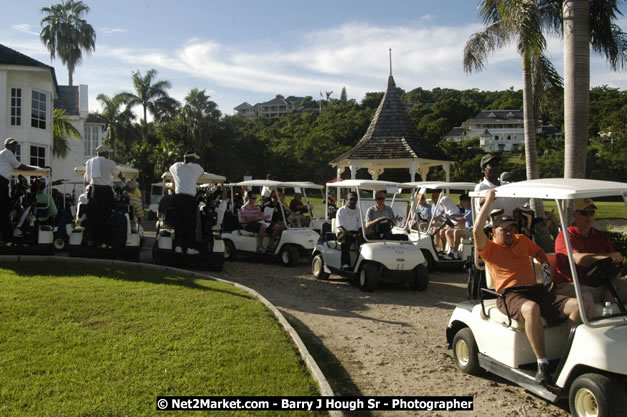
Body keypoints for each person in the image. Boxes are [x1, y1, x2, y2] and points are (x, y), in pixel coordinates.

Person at [475, 188, 581, 384]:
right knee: (532, 309)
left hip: (535, 290)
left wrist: (545, 267)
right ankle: (543, 364)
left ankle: (569, 356)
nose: (508, 232)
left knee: (578, 305)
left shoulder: (522, 240)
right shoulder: (489, 249)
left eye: (511, 228)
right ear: (493, 232)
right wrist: (488, 201)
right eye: (503, 230)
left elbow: (540, 253)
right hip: (510, 295)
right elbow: (476, 230)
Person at [553, 198, 626, 308]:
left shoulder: (600, 237)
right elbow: (579, 259)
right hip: (571, 285)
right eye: (583, 213)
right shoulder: (565, 236)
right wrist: (607, 257)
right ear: (575, 215)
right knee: (586, 296)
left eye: (591, 213)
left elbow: (616, 266)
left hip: (600, 285)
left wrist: (611, 288)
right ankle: (596, 325)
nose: (588, 217)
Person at [84, 144, 123, 248]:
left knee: (93, 216)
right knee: (106, 216)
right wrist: (123, 181)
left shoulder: (89, 162)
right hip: (105, 191)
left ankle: (92, 240)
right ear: (105, 153)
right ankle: (106, 241)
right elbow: (119, 174)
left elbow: (86, 179)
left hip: (94, 191)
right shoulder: (109, 162)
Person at [0, 138, 37, 246]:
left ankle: (7, 239)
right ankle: (8, 240)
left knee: (6, 209)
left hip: (3, 184)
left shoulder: (3, 156)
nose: (13, 147)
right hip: (1, 183)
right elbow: (20, 166)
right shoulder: (7, 153)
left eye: (14, 145)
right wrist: (35, 169)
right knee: (3, 212)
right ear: (6, 146)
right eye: (11, 145)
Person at [169, 151, 204, 255]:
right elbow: (202, 173)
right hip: (189, 199)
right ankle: (190, 247)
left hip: (178, 198)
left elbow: (171, 171)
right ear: (193, 160)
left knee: (179, 223)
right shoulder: (196, 168)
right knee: (190, 224)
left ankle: (178, 246)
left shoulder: (175, 166)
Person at [336, 192, 363, 269]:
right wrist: (351, 235)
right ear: (346, 200)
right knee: (346, 239)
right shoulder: (341, 211)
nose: (353, 201)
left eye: (355, 199)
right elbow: (340, 226)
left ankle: (359, 265)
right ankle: (345, 264)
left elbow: (360, 226)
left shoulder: (358, 211)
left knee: (364, 241)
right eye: (351, 199)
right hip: (343, 232)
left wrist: (360, 235)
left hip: (355, 232)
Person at [444, 194, 473, 260]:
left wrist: (450, 217)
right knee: (448, 232)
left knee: (456, 232)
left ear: (466, 201)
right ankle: (451, 250)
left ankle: (455, 252)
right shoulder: (467, 209)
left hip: (472, 230)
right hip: (467, 228)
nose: (461, 204)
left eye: (462, 202)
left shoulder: (471, 209)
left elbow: (463, 219)